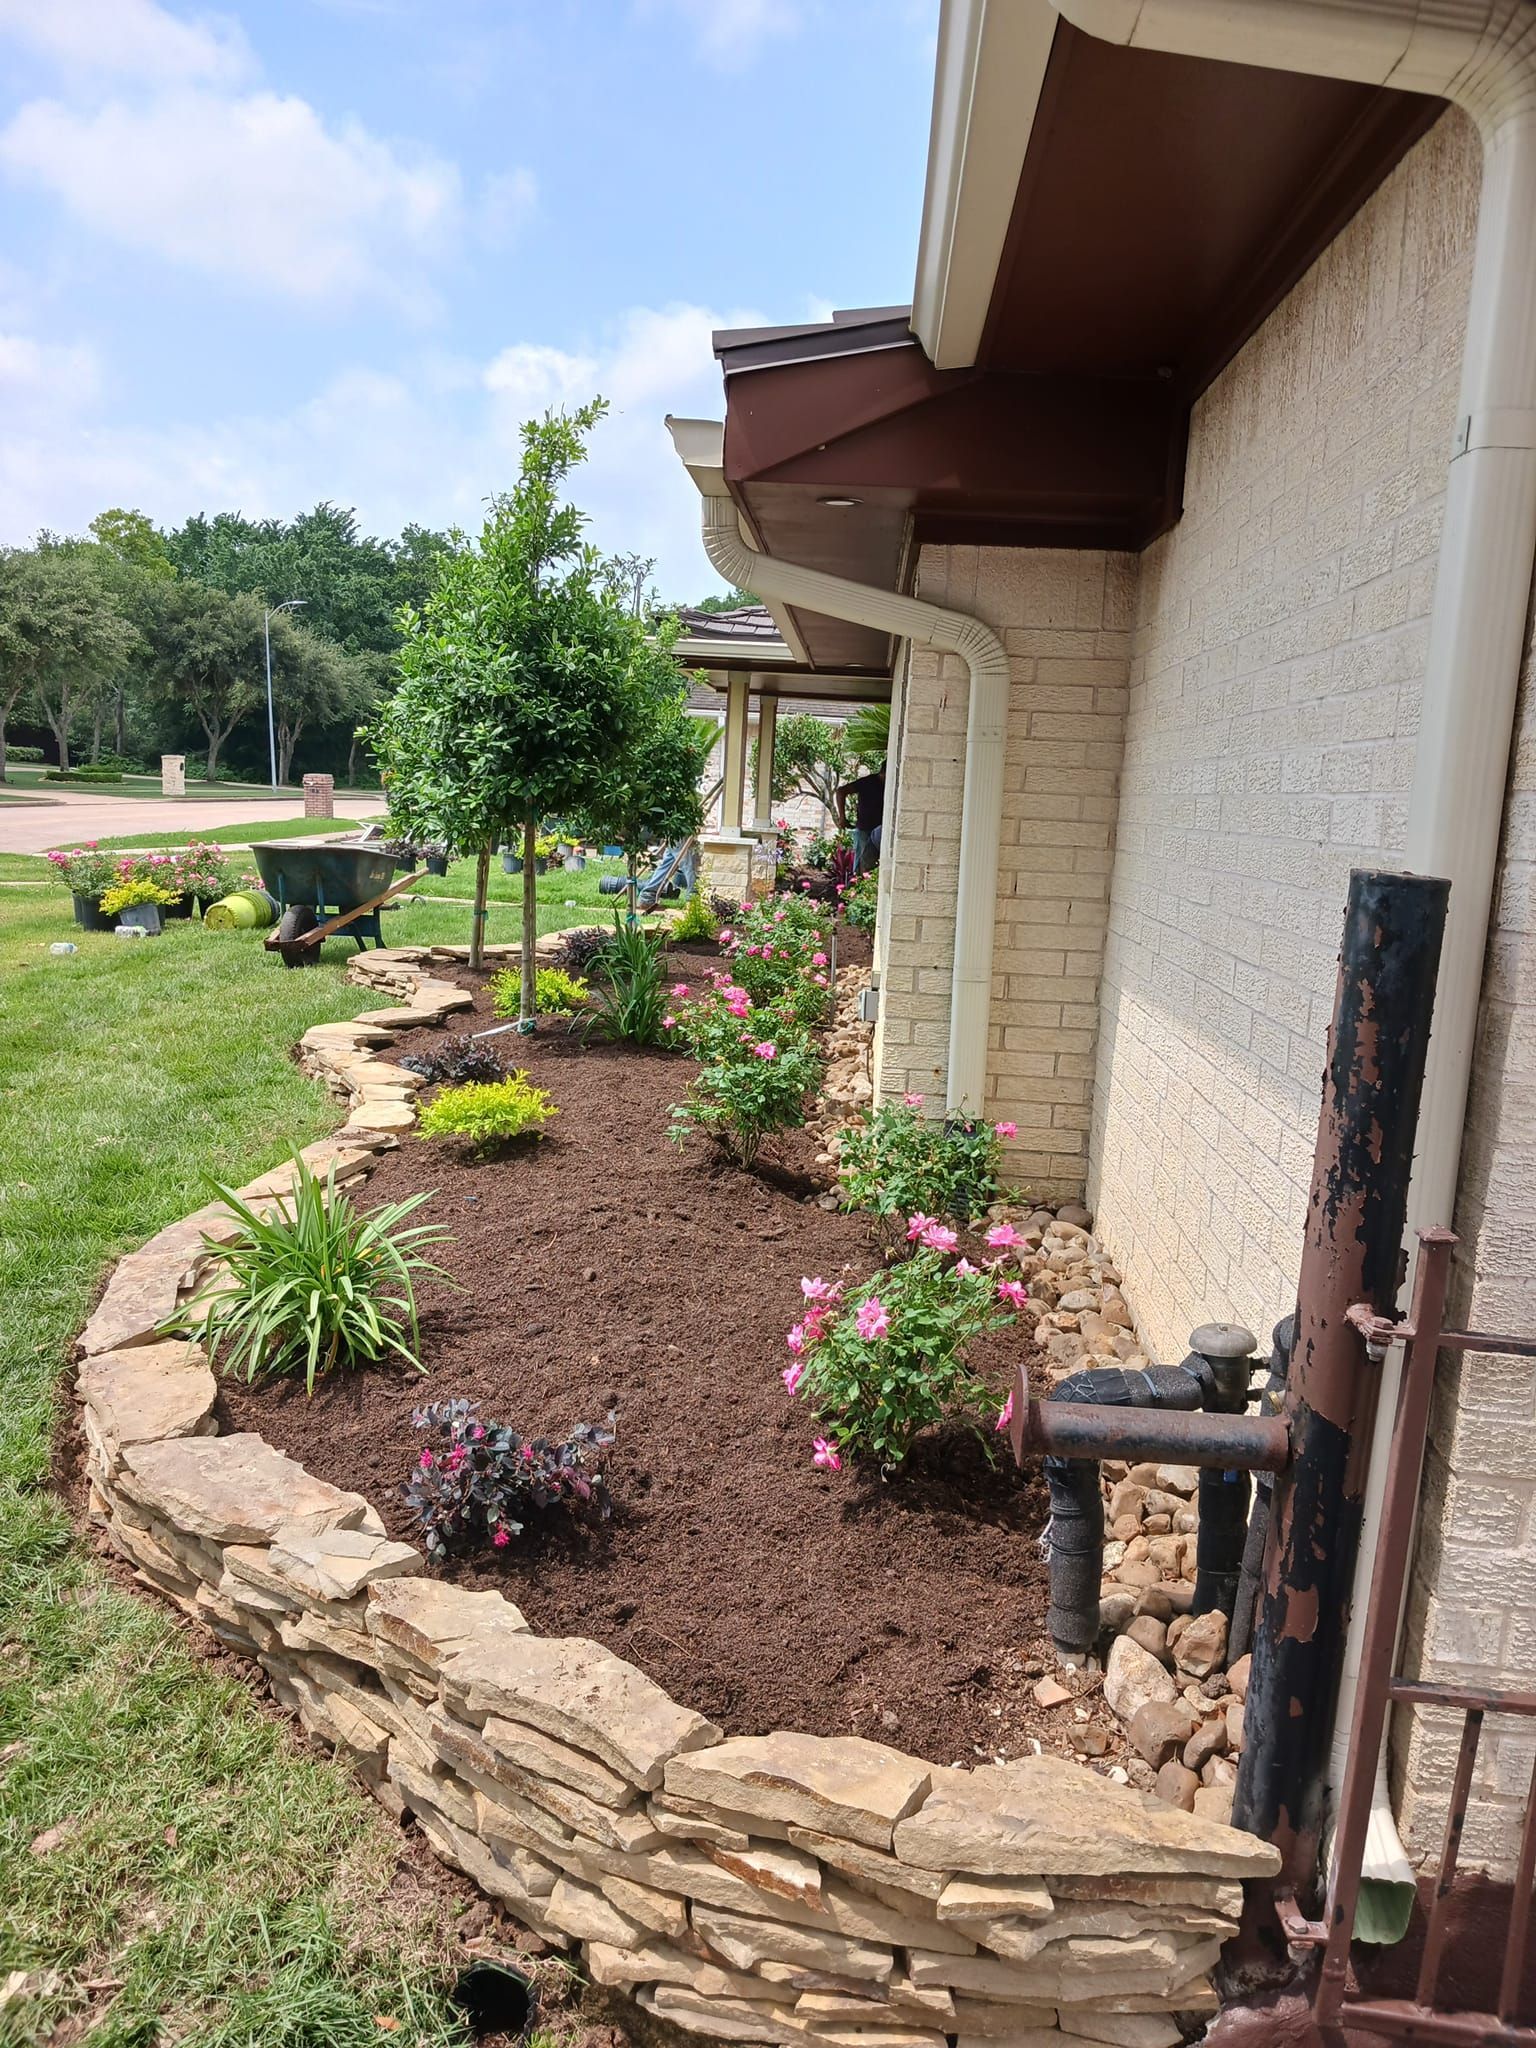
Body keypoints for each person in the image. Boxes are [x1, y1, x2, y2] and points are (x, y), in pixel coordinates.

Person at [834, 767, 885, 873]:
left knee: (877, 867)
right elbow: (841, 792)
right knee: (862, 867)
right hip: (865, 829)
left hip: (882, 831)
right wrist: (842, 817)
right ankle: (856, 886)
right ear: (882, 773)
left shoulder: (891, 786)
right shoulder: (868, 782)